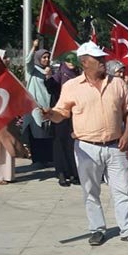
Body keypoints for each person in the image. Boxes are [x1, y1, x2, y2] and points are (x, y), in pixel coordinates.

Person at [41, 42, 128, 245]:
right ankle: (97, 229)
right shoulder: (71, 86)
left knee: (123, 189)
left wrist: (126, 133)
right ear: (84, 62)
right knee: (91, 190)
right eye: (97, 59)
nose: (102, 62)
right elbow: (61, 113)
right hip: (86, 147)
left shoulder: (117, 83)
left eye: (102, 58)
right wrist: (49, 114)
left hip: (116, 145)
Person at [45, 53, 81, 186]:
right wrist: (48, 76)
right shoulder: (59, 75)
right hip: (59, 114)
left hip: (75, 114)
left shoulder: (79, 75)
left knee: (72, 143)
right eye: (68, 60)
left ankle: (74, 173)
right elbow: (51, 87)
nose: (71, 63)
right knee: (60, 143)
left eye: (73, 60)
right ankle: (61, 173)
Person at [24, 48, 54, 167]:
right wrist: (33, 48)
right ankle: (38, 159)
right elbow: (27, 61)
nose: (46, 59)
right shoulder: (33, 70)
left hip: (48, 106)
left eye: (47, 57)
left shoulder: (49, 70)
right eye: (43, 57)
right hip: (35, 107)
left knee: (47, 133)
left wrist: (49, 76)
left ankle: (48, 158)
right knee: (37, 132)